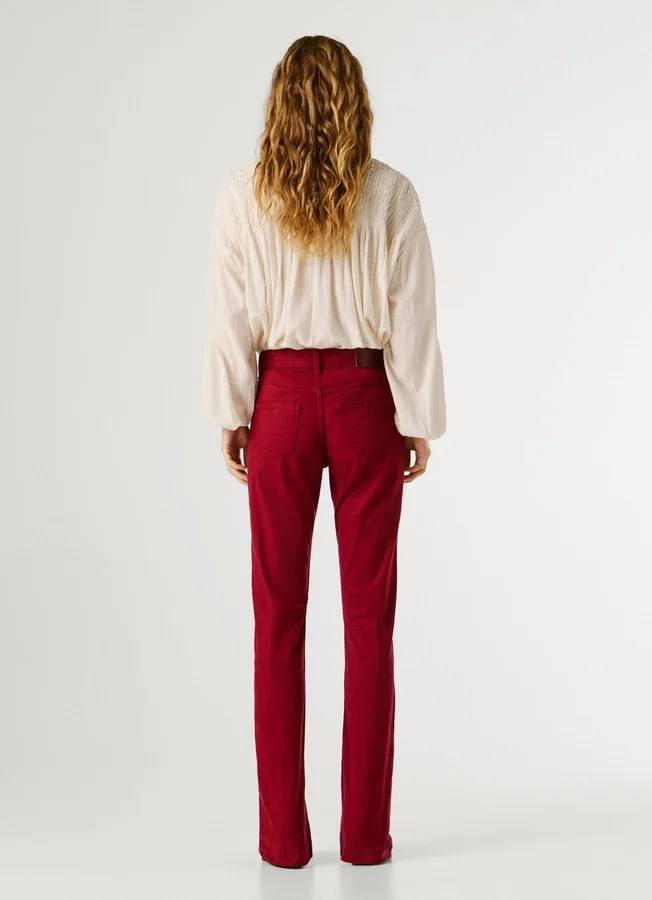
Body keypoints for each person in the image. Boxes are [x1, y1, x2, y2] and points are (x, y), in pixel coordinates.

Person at [200, 34, 446, 869]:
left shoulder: (243, 196)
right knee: (370, 621)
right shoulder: (391, 194)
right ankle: (365, 840)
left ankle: (283, 843)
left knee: (277, 618)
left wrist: (233, 412)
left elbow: (230, 316)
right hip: (366, 398)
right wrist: (417, 416)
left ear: (279, 103)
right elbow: (413, 314)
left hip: (278, 403)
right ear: (356, 103)